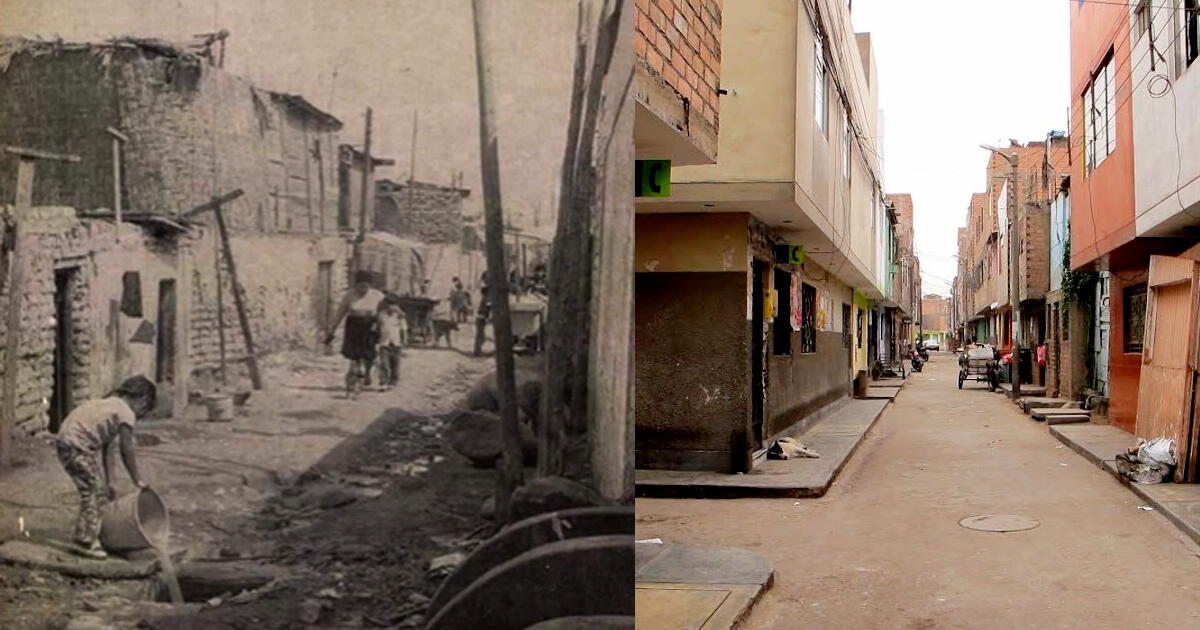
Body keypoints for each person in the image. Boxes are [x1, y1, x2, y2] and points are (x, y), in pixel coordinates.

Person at [55, 375, 156, 559]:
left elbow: (107, 448)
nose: (140, 415)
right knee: (95, 492)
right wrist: (137, 479)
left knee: (93, 490)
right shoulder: (126, 412)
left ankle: (85, 535)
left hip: (66, 443)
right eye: (144, 410)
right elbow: (127, 449)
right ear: (142, 400)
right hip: (76, 445)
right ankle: (85, 542)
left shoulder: (110, 404)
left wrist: (112, 481)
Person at [325, 271, 386, 396]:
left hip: (371, 326)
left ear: (370, 285)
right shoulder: (349, 295)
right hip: (354, 326)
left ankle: (367, 372)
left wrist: (381, 328)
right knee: (355, 356)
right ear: (355, 285)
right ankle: (354, 383)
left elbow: (383, 314)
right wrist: (333, 329)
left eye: (366, 286)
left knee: (369, 354)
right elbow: (340, 313)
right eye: (360, 286)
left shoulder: (378, 296)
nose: (363, 289)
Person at [377, 301, 406, 390]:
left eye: (393, 305)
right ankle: (383, 382)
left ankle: (393, 381)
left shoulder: (399, 317)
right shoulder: (381, 315)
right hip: (384, 342)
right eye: (389, 305)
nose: (391, 307)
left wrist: (404, 342)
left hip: (396, 342)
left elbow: (403, 329)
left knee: (395, 363)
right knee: (384, 363)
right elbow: (377, 327)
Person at [474, 271, 492, 357]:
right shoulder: (485, 290)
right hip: (481, 314)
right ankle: (477, 351)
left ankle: (478, 350)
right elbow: (487, 304)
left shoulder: (484, 289)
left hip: (481, 314)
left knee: (481, 334)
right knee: (481, 335)